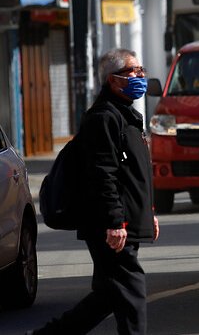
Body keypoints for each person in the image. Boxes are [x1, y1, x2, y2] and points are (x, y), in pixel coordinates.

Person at [30, 49, 159, 335]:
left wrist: (149, 214)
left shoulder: (127, 116)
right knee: (131, 289)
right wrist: (115, 223)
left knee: (108, 295)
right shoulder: (103, 118)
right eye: (132, 71)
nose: (140, 76)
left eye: (141, 70)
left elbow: (135, 175)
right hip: (110, 225)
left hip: (126, 220)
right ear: (113, 80)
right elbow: (103, 174)